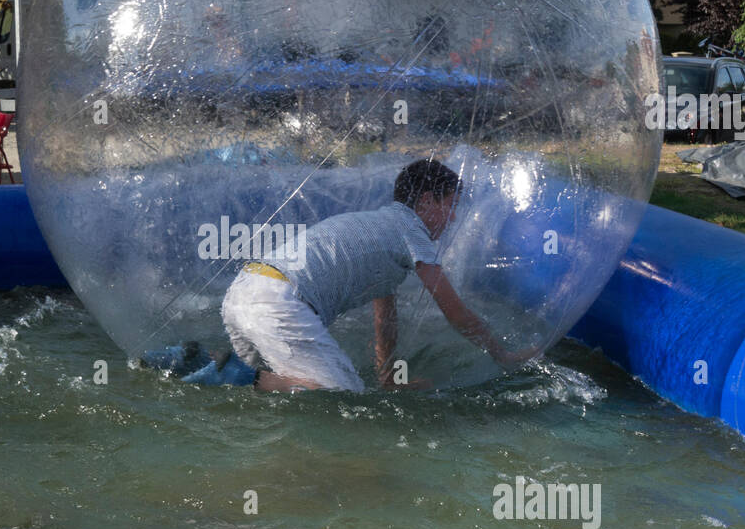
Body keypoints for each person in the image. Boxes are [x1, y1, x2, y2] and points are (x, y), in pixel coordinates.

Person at [181, 158, 535, 392]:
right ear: (426, 201)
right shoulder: (413, 232)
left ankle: (188, 358)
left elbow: (385, 316)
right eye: (450, 206)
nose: (454, 219)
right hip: (278, 303)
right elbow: (454, 311)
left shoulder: (378, 227)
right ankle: (233, 372)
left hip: (244, 291)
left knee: (260, 389)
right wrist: (500, 353)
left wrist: (388, 377)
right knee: (340, 394)